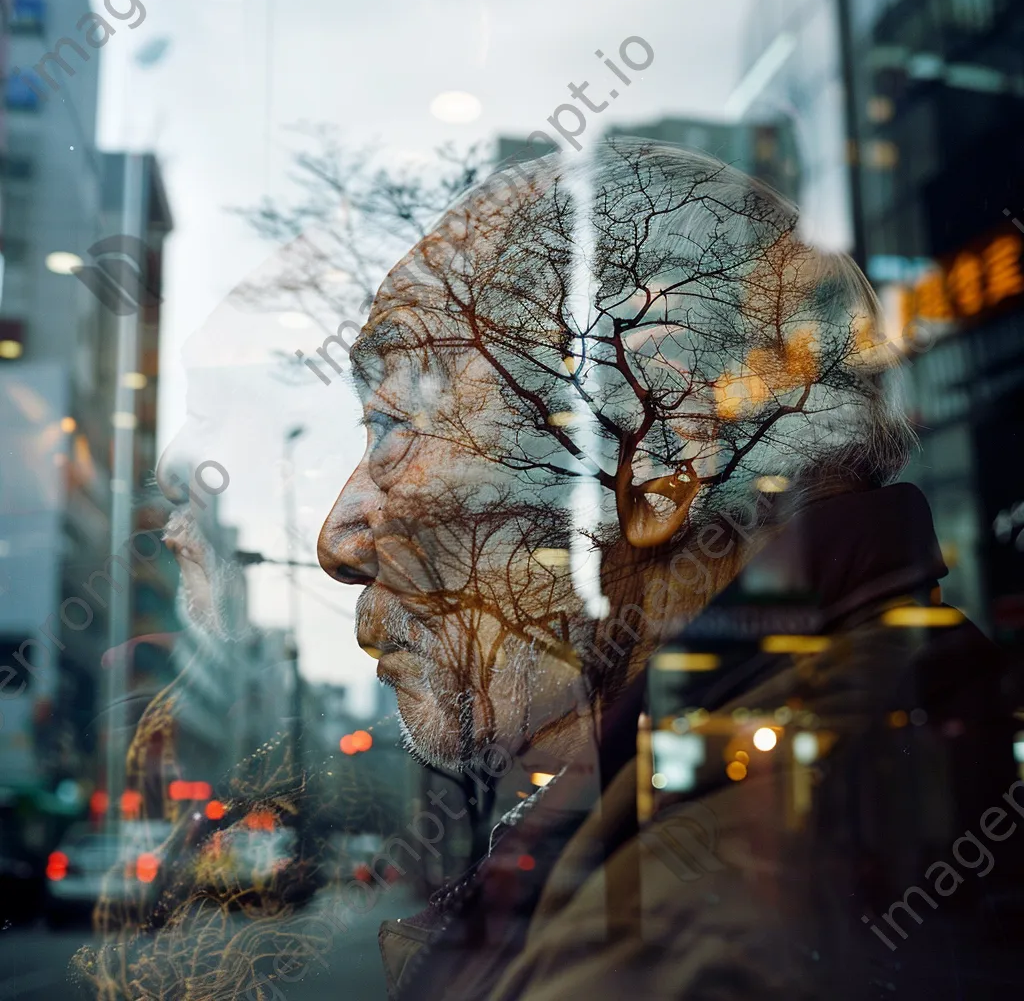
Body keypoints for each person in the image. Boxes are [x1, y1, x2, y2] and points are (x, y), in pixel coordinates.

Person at [316, 140, 1024, 999]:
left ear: (657, 447)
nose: (339, 540)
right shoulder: (756, 786)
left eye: (394, 424)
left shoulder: (694, 929)